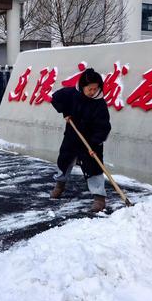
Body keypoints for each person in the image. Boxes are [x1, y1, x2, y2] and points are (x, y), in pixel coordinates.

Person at [50, 68, 111, 212]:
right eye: (89, 89)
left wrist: (95, 143)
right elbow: (56, 98)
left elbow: (104, 126)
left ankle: (99, 198)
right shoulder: (72, 94)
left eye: (95, 89)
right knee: (64, 161)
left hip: (91, 141)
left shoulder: (99, 103)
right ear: (82, 87)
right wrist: (66, 112)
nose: (92, 92)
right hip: (72, 136)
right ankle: (60, 185)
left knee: (94, 167)